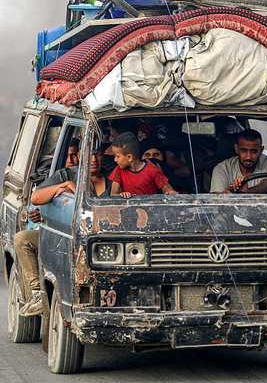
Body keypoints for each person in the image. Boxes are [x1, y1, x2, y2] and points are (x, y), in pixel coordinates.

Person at [13, 149, 109, 316]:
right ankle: (38, 295)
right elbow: (36, 197)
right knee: (23, 239)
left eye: (98, 154)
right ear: (81, 155)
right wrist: (63, 186)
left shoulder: (113, 178)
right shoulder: (67, 174)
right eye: (89, 153)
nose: (93, 159)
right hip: (66, 238)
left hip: (101, 242)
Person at [210, 129, 267, 194]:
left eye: (254, 151)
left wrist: (247, 192)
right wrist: (229, 193)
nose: (248, 157)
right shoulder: (222, 168)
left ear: (261, 150)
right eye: (243, 151)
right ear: (236, 149)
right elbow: (217, 200)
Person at [109, 132, 177, 198]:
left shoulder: (152, 169)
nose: (115, 160)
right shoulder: (119, 170)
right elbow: (113, 195)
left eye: (117, 156)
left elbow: (168, 191)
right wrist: (122, 195)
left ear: (129, 157)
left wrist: (170, 193)